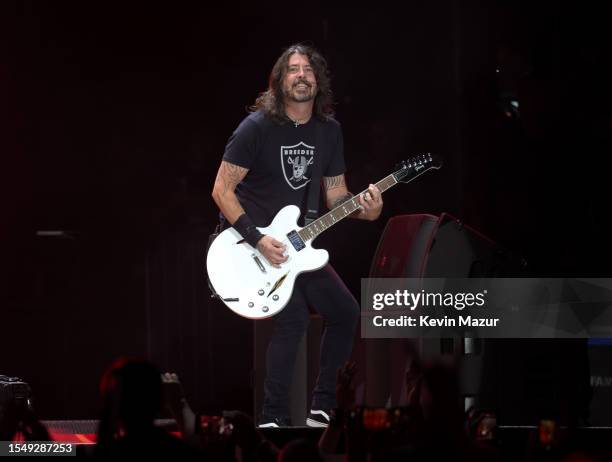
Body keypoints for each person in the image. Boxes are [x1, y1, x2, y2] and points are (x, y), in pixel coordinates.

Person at [211, 43, 383, 427]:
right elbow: (221, 190)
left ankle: (322, 410)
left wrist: (363, 208)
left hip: (297, 245)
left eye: (308, 69)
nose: (301, 75)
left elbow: (335, 194)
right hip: (252, 245)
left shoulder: (330, 131)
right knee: (293, 322)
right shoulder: (255, 128)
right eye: (292, 69)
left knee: (346, 313)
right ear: (279, 81)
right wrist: (256, 238)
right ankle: (273, 421)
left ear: (318, 80)